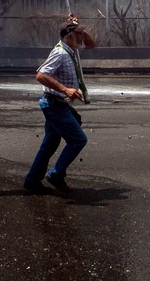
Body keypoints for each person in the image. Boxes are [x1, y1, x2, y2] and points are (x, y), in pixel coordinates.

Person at [24, 14, 96, 194]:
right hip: (54, 105)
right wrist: (65, 90)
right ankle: (55, 174)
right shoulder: (60, 53)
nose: (81, 36)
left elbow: (91, 44)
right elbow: (41, 75)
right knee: (78, 140)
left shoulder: (71, 50)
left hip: (58, 105)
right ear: (69, 36)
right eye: (78, 34)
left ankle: (32, 181)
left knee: (49, 144)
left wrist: (77, 26)